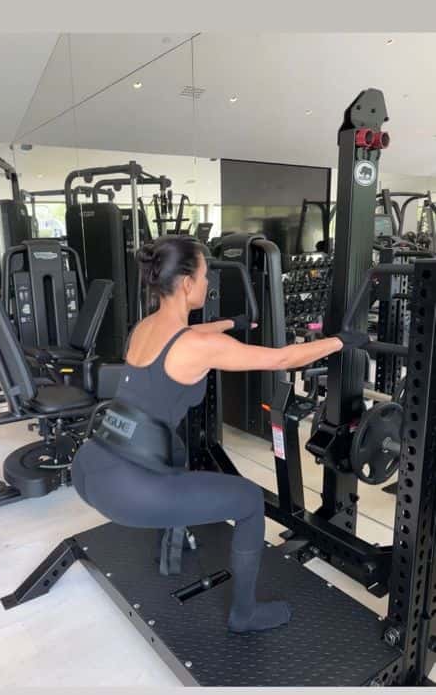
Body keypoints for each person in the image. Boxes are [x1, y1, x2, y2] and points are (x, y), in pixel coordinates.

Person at [72, 235, 368, 634]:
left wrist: (234, 323)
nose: (209, 281)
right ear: (188, 283)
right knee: (248, 501)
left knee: (175, 453)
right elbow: (282, 358)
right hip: (126, 492)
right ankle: (244, 615)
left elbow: (192, 334)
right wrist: (341, 342)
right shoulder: (199, 346)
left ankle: (170, 549)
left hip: (90, 466)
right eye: (205, 274)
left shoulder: (144, 328)